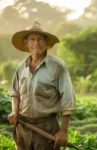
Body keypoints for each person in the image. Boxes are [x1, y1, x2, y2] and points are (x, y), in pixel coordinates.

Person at [7, 21, 76, 150]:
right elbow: (15, 93)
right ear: (26, 43)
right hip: (22, 127)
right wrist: (14, 111)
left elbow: (68, 99)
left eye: (40, 39)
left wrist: (64, 131)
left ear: (46, 42)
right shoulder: (21, 67)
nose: (36, 43)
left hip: (47, 129)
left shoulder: (57, 66)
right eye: (32, 39)